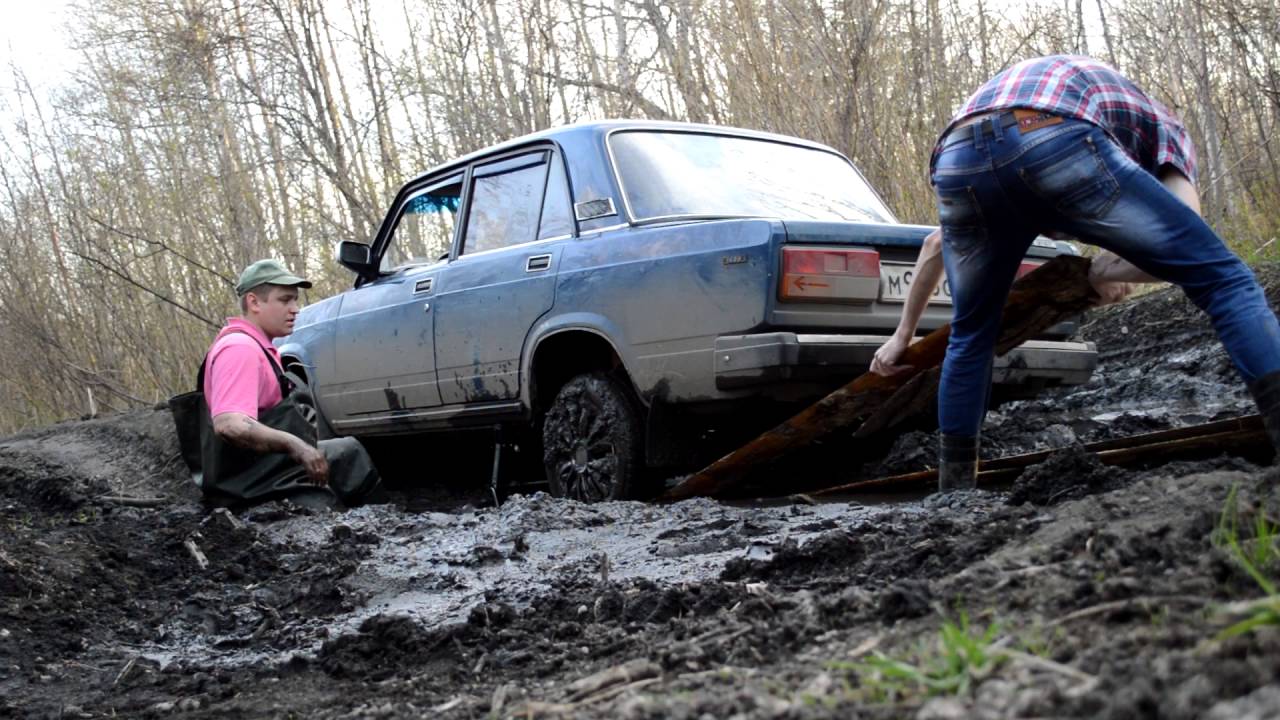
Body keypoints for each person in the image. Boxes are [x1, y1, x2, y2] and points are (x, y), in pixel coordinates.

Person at [888, 55, 1280, 492]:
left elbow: (935, 243)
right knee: (1227, 278)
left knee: (971, 333)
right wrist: (1100, 271)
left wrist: (903, 335)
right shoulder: (1169, 130)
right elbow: (1189, 249)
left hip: (956, 156)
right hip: (1051, 131)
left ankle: (955, 492)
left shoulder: (1077, 99)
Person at [196, 259, 383, 508]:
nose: (295, 309)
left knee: (347, 451)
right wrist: (296, 445)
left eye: (295, 300)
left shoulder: (258, 346)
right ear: (254, 302)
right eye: (285, 300)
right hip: (250, 481)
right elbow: (229, 425)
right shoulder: (240, 349)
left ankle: (376, 519)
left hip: (262, 466)